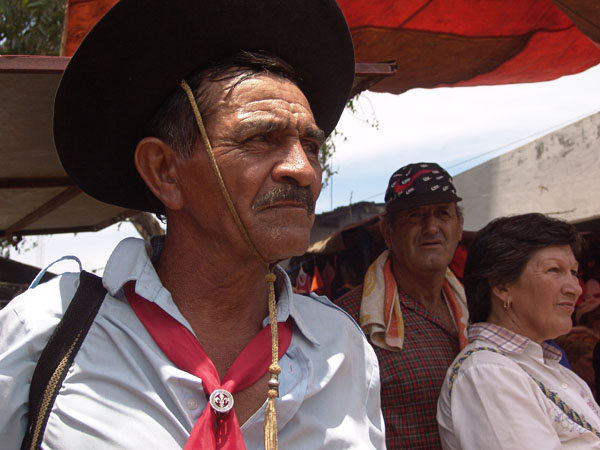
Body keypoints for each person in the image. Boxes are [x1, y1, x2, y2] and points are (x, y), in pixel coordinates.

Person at [0, 1, 386, 449]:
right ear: (164, 171)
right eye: (261, 138)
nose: (303, 169)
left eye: (312, 148)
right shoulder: (43, 336)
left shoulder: (343, 349)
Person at [437, 213, 600, 449]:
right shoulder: (488, 373)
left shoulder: (552, 370)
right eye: (555, 270)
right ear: (503, 286)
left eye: (574, 273)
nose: (574, 288)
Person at [335, 162, 468, 449]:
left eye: (442, 214)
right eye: (414, 215)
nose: (431, 227)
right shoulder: (350, 320)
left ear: (459, 227)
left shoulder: (475, 308)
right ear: (388, 231)